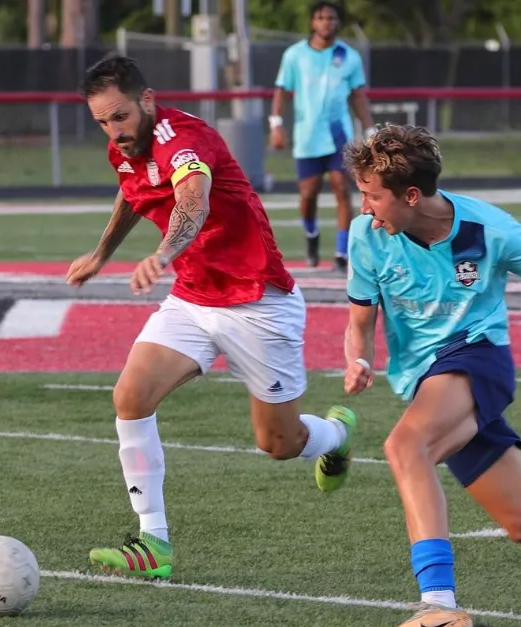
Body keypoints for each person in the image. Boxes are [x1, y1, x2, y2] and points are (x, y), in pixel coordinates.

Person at [65, 53, 358, 580]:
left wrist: (166, 252)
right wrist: (103, 253)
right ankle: (153, 542)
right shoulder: (126, 147)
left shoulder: (183, 140)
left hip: (258, 303)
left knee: (278, 444)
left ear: (147, 101)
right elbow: (135, 192)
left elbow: (192, 203)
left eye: (121, 117)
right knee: (130, 397)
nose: (114, 131)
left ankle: (335, 437)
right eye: (103, 122)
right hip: (194, 299)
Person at [341, 123, 521, 627]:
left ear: (409, 194)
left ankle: (440, 607)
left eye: (371, 196)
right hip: (426, 382)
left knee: (406, 448)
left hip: (477, 357)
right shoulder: (367, 236)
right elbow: (360, 321)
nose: (364, 208)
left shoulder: (490, 230)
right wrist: (357, 358)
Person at [270, 1, 375, 273]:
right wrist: (276, 124)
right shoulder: (295, 55)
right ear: (312, 23)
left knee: (343, 189)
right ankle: (311, 236)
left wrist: (370, 130)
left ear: (338, 22)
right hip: (307, 136)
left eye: (331, 18)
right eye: (320, 18)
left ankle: (341, 253)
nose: (326, 22)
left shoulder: (348, 56)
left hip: (339, 135)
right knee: (308, 194)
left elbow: (357, 96)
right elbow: (281, 90)